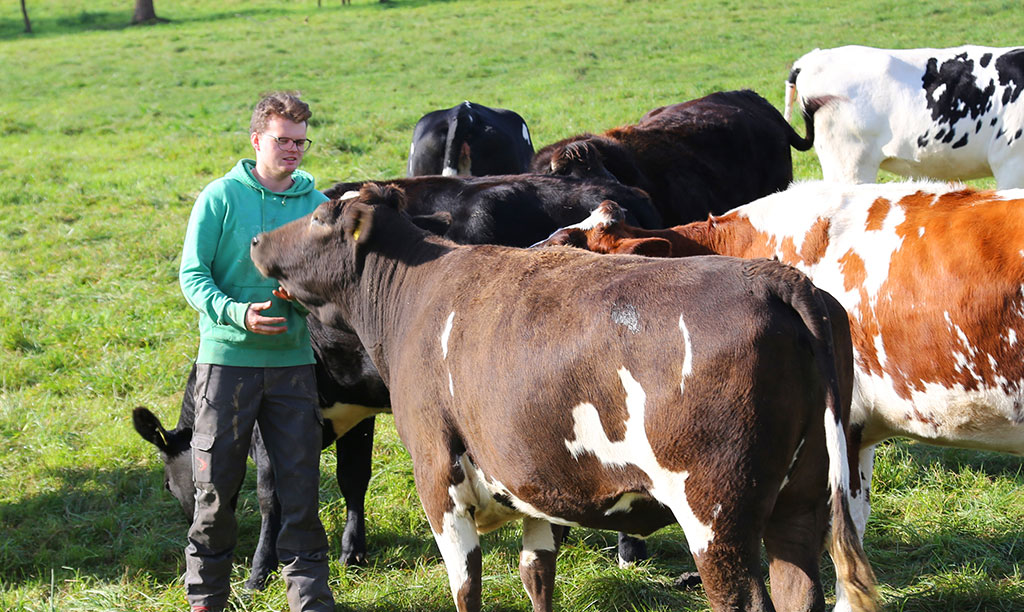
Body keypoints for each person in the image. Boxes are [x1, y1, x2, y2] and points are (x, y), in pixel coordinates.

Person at [178, 92, 334, 612]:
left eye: (299, 141)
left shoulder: (317, 208)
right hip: (226, 366)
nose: (292, 150)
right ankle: (206, 599)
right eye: (281, 140)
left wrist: (304, 297)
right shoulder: (220, 197)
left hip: (293, 367)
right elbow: (192, 275)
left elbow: (330, 281)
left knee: (300, 490)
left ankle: (308, 600)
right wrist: (234, 313)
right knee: (217, 492)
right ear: (256, 140)